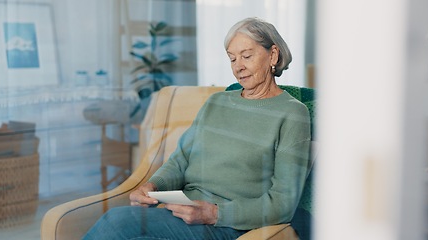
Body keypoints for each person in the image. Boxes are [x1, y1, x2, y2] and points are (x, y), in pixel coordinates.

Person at [83, 17, 312, 240]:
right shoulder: (216, 103)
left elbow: (283, 203)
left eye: (247, 56)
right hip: (181, 213)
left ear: (273, 54)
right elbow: (181, 160)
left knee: (117, 220)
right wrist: (153, 186)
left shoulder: (292, 113)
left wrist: (214, 213)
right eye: (232, 59)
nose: (238, 67)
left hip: (227, 225)